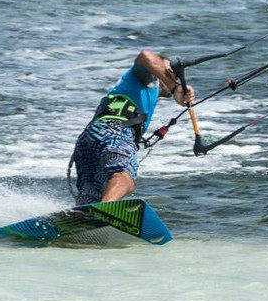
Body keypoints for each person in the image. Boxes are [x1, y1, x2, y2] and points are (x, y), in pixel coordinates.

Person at [69, 50, 194, 205]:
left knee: (90, 200)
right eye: (168, 71)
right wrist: (175, 87)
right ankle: (103, 210)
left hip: (89, 138)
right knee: (124, 178)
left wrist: (180, 91)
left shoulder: (146, 91)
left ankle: (84, 223)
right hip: (116, 131)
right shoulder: (148, 79)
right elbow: (146, 56)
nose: (172, 76)